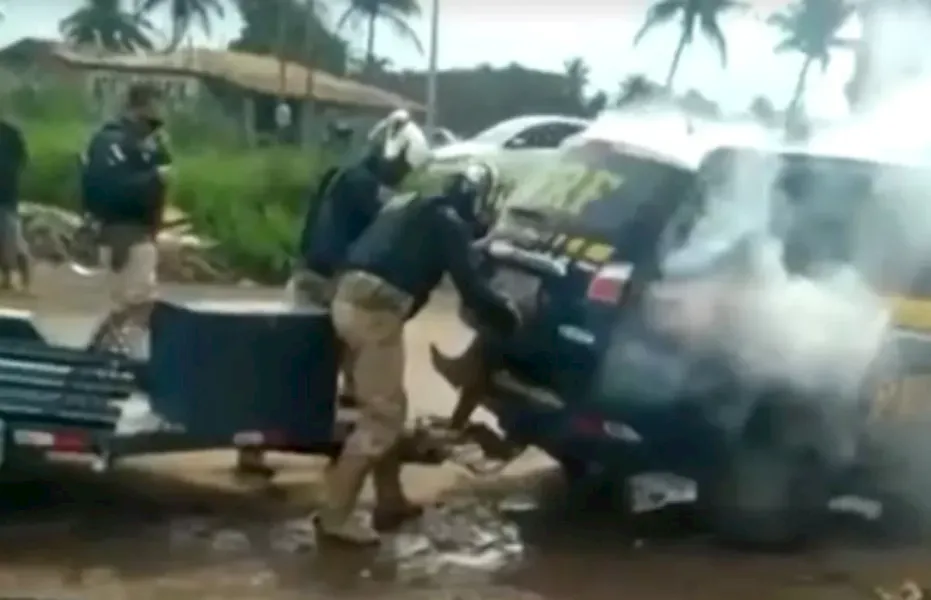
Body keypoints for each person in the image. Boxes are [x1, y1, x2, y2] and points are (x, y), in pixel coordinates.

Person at [315, 158, 521, 545]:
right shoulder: (448, 222)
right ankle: (334, 517)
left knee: (386, 404)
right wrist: (508, 317)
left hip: (345, 298)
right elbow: (472, 290)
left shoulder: (408, 203)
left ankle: (390, 499)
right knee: (382, 419)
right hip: (376, 312)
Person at [80, 82, 171, 336]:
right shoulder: (111, 141)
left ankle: (108, 351)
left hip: (140, 233)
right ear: (143, 106)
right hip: (122, 232)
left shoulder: (150, 143)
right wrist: (153, 178)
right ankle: (105, 351)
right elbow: (108, 187)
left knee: (132, 305)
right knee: (134, 303)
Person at [0, 117, 31, 293]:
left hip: (5, 195)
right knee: (8, 238)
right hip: (7, 194)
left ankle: (17, 275)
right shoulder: (11, 134)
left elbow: (22, 160)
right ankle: (9, 277)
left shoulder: (11, 134)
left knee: (9, 239)